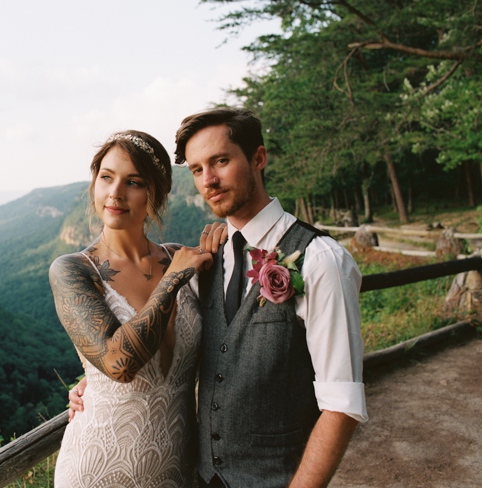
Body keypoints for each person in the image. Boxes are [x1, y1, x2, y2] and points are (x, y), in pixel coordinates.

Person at [71, 109, 368, 488]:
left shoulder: (321, 260)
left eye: (221, 162)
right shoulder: (208, 259)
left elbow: (341, 404)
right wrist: (91, 383)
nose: (208, 180)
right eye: (196, 169)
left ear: (258, 159)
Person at [49, 130, 225, 488]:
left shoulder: (182, 258)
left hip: (176, 470)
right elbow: (118, 364)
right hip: (96, 469)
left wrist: (226, 238)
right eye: (106, 177)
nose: (115, 193)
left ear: (154, 193)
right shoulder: (74, 269)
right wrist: (171, 280)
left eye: (133, 182)